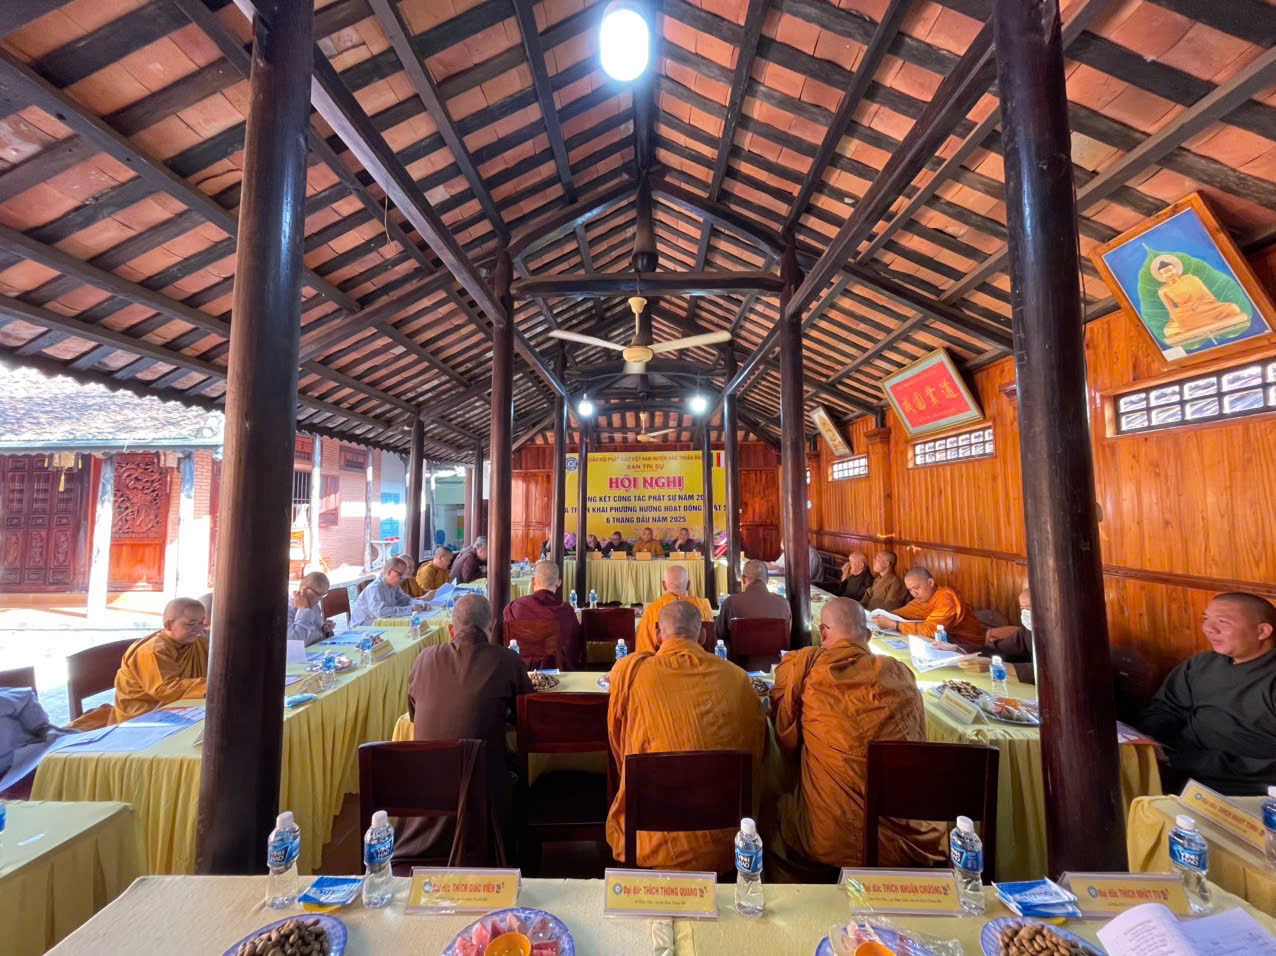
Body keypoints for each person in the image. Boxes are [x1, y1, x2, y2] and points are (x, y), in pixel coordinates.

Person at [770, 598, 945, 873]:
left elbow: (785, 737)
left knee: (773, 805)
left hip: (831, 838)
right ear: (869, 635)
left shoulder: (806, 669)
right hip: (906, 840)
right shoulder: (900, 674)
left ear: (823, 633)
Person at [607, 600, 765, 873]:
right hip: (726, 840)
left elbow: (618, 743)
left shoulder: (629, 674)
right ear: (702, 635)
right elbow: (757, 749)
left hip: (648, 835)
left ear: (658, 634)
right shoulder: (738, 678)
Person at [398, 594, 533, 862]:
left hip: (426, 788)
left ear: (452, 629)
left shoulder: (424, 658)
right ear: (491, 627)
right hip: (483, 785)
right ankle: (516, 855)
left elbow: (413, 715)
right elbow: (526, 717)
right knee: (519, 772)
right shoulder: (506, 660)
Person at [1138, 592, 1276, 795]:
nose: (1209, 629)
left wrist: (1199, 762)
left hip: (1245, 788)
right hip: (1179, 769)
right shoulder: (1201, 664)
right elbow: (1167, 708)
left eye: (1223, 622)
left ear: (1262, 631)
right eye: (1206, 619)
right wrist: (1149, 742)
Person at [112, 597, 210, 723]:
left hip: (184, 707)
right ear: (168, 625)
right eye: (190, 624)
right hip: (144, 714)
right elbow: (165, 688)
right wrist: (211, 686)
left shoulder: (199, 643)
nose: (198, 629)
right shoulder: (153, 651)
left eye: (201, 623)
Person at [871, 567, 984, 648]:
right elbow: (899, 613)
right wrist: (881, 617)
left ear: (930, 582)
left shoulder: (946, 598)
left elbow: (931, 631)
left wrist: (894, 625)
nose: (914, 593)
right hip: (942, 645)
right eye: (910, 590)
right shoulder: (921, 600)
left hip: (967, 647)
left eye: (916, 587)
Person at [502, 560, 582, 669]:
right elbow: (574, 646)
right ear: (558, 583)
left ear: (533, 581)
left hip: (522, 670)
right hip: (557, 672)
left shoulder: (514, 607)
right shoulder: (566, 611)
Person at [634, 564, 713, 654]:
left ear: (664, 585)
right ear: (688, 585)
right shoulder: (704, 605)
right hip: (701, 661)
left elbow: (643, 651)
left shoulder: (652, 609)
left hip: (662, 662)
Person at [963, 588, 1035, 684]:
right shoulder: (1028, 630)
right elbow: (999, 649)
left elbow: (1050, 670)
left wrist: (999, 666)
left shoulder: (1055, 633)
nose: (1025, 613)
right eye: (1022, 608)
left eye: (1029, 608)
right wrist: (960, 649)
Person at [716, 558, 791, 643]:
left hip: (740, 652)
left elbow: (720, 633)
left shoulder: (731, 602)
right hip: (775, 652)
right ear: (767, 580)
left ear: (743, 579)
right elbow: (787, 634)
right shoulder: (783, 603)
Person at [351, 557, 418, 626]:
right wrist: (410, 609)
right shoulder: (375, 588)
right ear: (389, 572)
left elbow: (405, 600)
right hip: (362, 628)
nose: (402, 578)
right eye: (400, 575)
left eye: (404, 575)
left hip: (379, 624)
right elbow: (380, 612)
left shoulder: (393, 585)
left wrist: (419, 604)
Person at [288, 571, 333, 647]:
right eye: (319, 594)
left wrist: (324, 630)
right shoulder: (287, 608)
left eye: (324, 595)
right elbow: (294, 641)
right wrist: (304, 610)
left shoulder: (314, 605)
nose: (320, 599)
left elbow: (316, 636)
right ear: (305, 590)